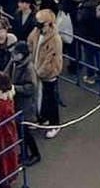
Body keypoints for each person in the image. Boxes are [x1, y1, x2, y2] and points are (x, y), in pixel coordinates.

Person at [28, 8, 64, 138]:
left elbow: (50, 60)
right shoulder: (37, 32)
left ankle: (55, 124)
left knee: (51, 99)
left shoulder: (55, 39)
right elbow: (30, 43)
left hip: (48, 74)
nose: (37, 26)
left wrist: (39, 72)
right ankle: (43, 119)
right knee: (40, 98)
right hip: (37, 70)